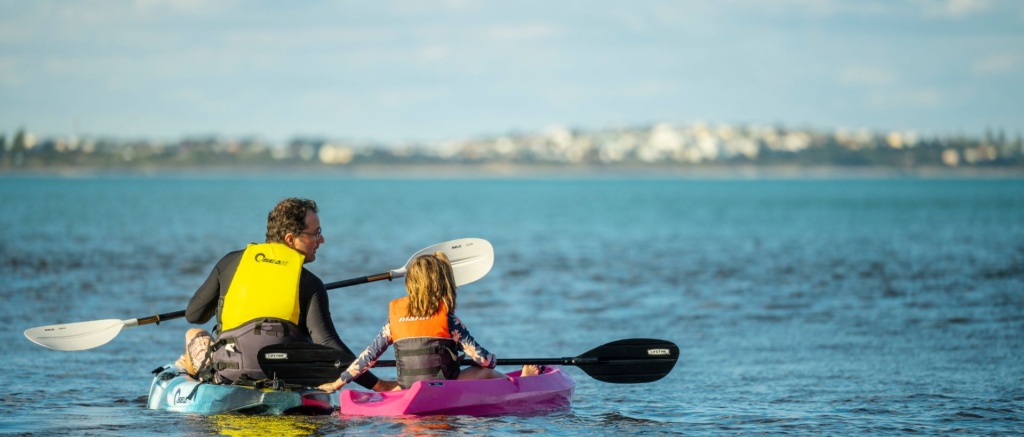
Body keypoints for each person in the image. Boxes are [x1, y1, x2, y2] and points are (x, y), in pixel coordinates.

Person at [176, 197, 397, 392]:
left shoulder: (230, 262)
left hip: (229, 375)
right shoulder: (311, 283)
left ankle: (187, 368)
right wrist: (380, 385)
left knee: (193, 332)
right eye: (316, 233)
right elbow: (330, 345)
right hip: (287, 378)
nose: (321, 240)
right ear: (291, 239)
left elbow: (194, 315)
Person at [317, 251, 542, 393]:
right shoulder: (448, 319)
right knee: (487, 374)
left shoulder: (394, 318)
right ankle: (521, 385)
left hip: (410, 389)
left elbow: (368, 357)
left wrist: (338, 383)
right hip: (445, 387)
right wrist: (488, 361)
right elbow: (485, 361)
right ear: (442, 283)